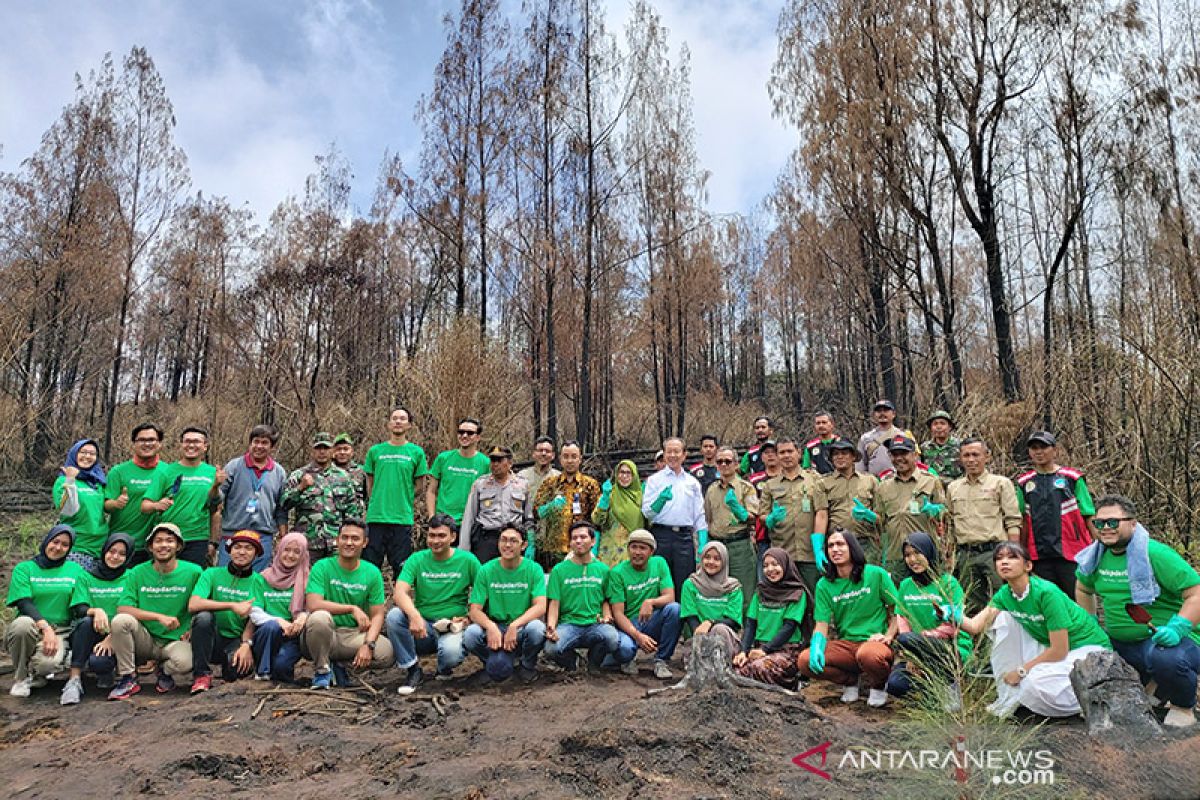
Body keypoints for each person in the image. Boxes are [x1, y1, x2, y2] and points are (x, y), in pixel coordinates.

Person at [1075, 495, 1200, 727]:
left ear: (1132, 523)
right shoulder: (1094, 557)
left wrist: (1178, 627)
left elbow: (1196, 592)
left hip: (1167, 641)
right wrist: (1090, 623)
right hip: (1122, 644)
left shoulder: (1155, 555)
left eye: (1113, 522)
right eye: (1099, 523)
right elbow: (1083, 588)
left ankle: (1183, 706)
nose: (1105, 528)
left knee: (1167, 659)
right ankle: (1152, 684)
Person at [959, 541, 1110, 718]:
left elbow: (1059, 650)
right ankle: (1011, 699)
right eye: (999, 558)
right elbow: (975, 626)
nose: (1004, 562)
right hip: (1056, 650)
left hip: (1088, 649)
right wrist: (951, 613)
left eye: (1012, 557)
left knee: (1032, 684)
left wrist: (1022, 671)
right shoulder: (1005, 594)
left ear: (1028, 566)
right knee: (1004, 619)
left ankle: (1088, 701)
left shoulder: (1046, 593)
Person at [799, 529, 899, 707]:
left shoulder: (876, 574)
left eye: (840, 544)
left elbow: (898, 610)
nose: (835, 549)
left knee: (868, 654)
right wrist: (816, 647)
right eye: (830, 546)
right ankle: (850, 681)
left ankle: (878, 685)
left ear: (852, 547)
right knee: (804, 661)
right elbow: (821, 624)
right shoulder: (824, 585)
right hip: (846, 645)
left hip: (875, 643)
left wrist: (889, 636)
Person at [387, 514, 481, 694]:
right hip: (422, 627)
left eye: (441, 536)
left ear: (453, 537)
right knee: (394, 616)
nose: (435, 541)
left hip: (452, 626)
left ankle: (444, 668)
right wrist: (414, 615)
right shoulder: (417, 559)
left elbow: (484, 595)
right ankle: (413, 669)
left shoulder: (468, 560)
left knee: (450, 653)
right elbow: (399, 592)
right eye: (432, 535)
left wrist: (469, 618)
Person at [108, 523, 203, 699]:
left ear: (178, 546)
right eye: (158, 541)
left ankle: (164, 672)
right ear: (151, 547)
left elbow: (201, 603)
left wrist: (192, 628)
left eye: (169, 541)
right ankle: (128, 677)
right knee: (120, 620)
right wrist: (158, 617)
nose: (163, 545)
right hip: (145, 638)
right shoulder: (137, 572)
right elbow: (123, 608)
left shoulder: (193, 572)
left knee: (186, 662)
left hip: (175, 639)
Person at [302, 519, 394, 690]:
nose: (349, 543)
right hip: (324, 634)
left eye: (355, 539)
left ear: (365, 542)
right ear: (337, 540)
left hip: (353, 635)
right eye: (344, 538)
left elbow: (378, 614)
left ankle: (341, 666)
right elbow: (314, 604)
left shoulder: (372, 572)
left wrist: (368, 644)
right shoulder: (322, 566)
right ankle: (322, 670)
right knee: (319, 618)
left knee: (386, 652)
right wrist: (352, 608)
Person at [885, 532, 972, 710]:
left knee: (907, 639)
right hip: (916, 646)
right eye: (908, 555)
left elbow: (954, 624)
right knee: (895, 685)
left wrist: (925, 638)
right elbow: (902, 619)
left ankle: (950, 685)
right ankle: (931, 691)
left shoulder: (948, 582)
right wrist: (913, 655)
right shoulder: (906, 585)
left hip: (950, 647)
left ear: (929, 553)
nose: (912, 559)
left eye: (917, 553)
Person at [5, 525, 88, 700]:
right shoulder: (25, 568)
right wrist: (45, 628)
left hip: (60, 630)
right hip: (31, 626)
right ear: (47, 541)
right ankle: (20, 678)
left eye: (65, 545)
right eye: (55, 541)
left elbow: (79, 605)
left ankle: (39, 673)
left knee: (47, 665)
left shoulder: (75, 570)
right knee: (22, 625)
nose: (58, 548)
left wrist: (96, 612)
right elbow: (23, 602)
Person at [463, 525, 547, 685]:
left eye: (513, 541)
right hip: (496, 627)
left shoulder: (534, 569)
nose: (507, 545)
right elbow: (475, 611)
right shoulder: (486, 570)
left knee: (537, 629)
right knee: (471, 635)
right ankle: (491, 663)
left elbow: (540, 606)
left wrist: (515, 625)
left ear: (523, 545)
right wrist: (490, 626)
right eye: (503, 540)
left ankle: (526, 665)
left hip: (522, 628)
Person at [945, 437, 1022, 611]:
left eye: (975, 455)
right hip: (966, 555)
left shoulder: (1001, 483)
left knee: (1003, 600)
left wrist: (1014, 553)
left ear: (987, 456)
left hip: (994, 552)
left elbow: (1013, 520)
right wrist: (950, 555)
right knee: (971, 604)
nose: (971, 460)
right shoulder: (953, 487)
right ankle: (978, 638)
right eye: (966, 455)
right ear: (960, 458)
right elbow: (950, 523)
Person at [1016, 431, 1095, 597]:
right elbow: (1022, 519)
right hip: (1039, 554)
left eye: (1043, 447)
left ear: (1055, 450)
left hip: (1071, 552)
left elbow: (1088, 514)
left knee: (1077, 600)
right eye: (1034, 448)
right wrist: (1021, 553)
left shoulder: (1072, 478)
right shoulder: (1024, 482)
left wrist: (1098, 547)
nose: (1039, 452)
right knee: (1048, 600)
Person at [188, 531, 263, 692]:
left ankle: (229, 668)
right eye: (237, 547)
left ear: (256, 554)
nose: (242, 552)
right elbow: (194, 604)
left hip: (236, 638)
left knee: (236, 673)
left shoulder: (260, 581)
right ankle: (201, 675)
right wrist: (231, 605)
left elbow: (255, 618)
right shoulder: (212, 573)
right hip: (211, 636)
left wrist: (246, 645)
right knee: (203, 617)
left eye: (248, 548)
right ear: (229, 551)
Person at [543, 522, 621, 671]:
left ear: (593, 541)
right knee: (551, 648)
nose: (578, 541)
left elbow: (605, 598)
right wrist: (551, 626)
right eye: (574, 538)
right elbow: (554, 602)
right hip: (568, 624)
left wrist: (607, 616)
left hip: (594, 623)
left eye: (583, 537)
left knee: (612, 638)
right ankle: (574, 662)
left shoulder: (603, 569)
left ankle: (593, 663)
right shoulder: (559, 570)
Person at [210, 424, 288, 572]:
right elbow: (216, 501)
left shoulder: (279, 472)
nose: (259, 446)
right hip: (233, 534)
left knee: (257, 582)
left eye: (264, 443)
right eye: (256, 441)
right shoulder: (234, 466)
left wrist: (283, 536)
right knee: (225, 578)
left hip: (262, 536)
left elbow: (281, 508)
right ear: (250, 443)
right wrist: (215, 486)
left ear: (272, 447)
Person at [363, 407, 430, 578]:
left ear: (409, 425)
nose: (398, 421)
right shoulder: (375, 451)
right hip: (376, 517)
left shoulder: (416, 452)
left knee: (401, 568)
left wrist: (403, 497)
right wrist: (378, 499)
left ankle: (399, 603)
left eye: (402, 419)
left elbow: (420, 486)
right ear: (388, 424)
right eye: (394, 418)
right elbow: (370, 483)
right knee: (370, 567)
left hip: (401, 518)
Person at [759, 438, 828, 598]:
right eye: (782, 452)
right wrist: (769, 519)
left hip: (809, 551)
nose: (786, 455)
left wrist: (818, 547)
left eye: (790, 451)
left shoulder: (814, 480)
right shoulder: (770, 485)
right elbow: (762, 515)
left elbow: (822, 512)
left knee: (813, 596)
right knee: (786, 598)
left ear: (798, 453)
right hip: (782, 554)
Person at [607, 529, 681, 678]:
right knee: (624, 651)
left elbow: (670, 597)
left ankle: (661, 660)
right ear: (628, 549)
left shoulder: (659, 563)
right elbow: (618, 614)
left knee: (675, 609)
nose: (637, 552)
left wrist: (651, 602)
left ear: (651, 551)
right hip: (629, 623)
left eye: (643, 548)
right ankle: (627, 658)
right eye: (633, 547)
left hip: (651, 619)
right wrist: (638, 636)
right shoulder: (617, 573)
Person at [280, 432, 364, 562]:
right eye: (318, 448)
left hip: (336, 542)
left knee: (336, 578)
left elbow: (352, 512)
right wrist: (300, 487)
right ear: (312, 451)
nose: (322, 452)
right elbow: (284, 503)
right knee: (308, 580)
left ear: (332, 451)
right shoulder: (299, 475)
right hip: (308, 542)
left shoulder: (344, 477)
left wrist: (350, 539)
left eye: (326, 448)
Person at [142, 426, 218, 567]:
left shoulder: (213, 473)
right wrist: (156, 505)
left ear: (205, 446)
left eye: (196, 442)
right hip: (167, 537)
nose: (191, 445)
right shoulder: (165, 472)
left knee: (193, 582)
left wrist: (213, 542)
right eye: (187, 441)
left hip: (197, 538)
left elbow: (216, 511)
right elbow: (145, 506)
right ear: (181, 445)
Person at [642, 438, 709, 597]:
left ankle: (683, 619)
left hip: (684, 538)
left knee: (684, 581)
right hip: (661, 535)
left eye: (676, 451)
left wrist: (702, 545)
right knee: (659, 582)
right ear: (664, 455)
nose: (672, 455)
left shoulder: (692, 483)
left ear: (684, 455)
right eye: (669, 452)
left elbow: (700, 515)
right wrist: (659, 502)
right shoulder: (654, 480)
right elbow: (646, 512)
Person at [733, 547, 808, 688]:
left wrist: (766, 650)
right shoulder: (760, 592)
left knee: (759, 668)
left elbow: (789, 627)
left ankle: (792, 683)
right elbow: (751, 625)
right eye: (765, 566)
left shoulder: (797, 593)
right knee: (735, 667)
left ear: (785, 565)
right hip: (759, 648)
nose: (770, 569)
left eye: (775, 564)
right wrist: (743, 651)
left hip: (786, 650)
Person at [72, 532, 135, 696]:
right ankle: (75, 677)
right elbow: (79, 608)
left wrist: (112, 637)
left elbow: (135, 609)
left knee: (100, 662)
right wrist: (96, 610)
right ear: (104, 551)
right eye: (112, 551)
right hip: (93, 630)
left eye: (122, 554)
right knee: (85, 621)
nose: (115, 557)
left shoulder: (131, 577)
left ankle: (110, 670)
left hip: (121, 634)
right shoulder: (86, 576)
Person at [875, 435, 945, 581]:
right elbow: (880, 521)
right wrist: (871, 516)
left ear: (914, 455)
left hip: (924, 555)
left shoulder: (931, 481)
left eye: (904, 453)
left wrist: (938, 510)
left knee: (929, 598)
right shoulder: (883, 486)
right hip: (895, 556)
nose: (899, 458)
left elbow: (946, 514)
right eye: (895, 454)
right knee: (897, 599)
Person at [702, 446, 758, 614]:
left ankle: (747, 636)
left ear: (736, 463)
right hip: (716, 545)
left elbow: (754, 516)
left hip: (739, 544)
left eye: (728, 461)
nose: (724, 464)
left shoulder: (746, 487)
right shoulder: (712, 489)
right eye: (720, 461)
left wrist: (740, 511)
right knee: (717, 592)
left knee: (745, 591)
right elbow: (707, 518)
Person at [250, 531, 310, 683]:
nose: (290, 555)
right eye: (286, 550)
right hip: (267, 634)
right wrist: (279, 621)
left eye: (297, 552)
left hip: (294, 636)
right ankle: (262, 671)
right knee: (271, 626)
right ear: (279, 550)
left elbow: (314, 607)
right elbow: (255, 612)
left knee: (281, 667)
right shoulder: (262, 577)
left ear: (303, 555)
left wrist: (303, 617)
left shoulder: (308, 578)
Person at [533, 441, 602, 571]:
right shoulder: (550, 484)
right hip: (554, 548)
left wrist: (594, 545)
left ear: (580, 459)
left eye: (574, 456)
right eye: (566, 456)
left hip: (581, 547)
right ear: (560, 459)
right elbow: (536, 511)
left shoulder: (590, 484)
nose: (570, 461)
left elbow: (596, 519)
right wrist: (550, 507)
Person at [459, 446, 533, 563]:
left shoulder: (522, 485)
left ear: (510, 463)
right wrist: (464, 550)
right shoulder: (480, 484)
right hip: (487, 539)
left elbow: (528, 518)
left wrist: (530, 543)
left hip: (513, 539)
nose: (495, 464)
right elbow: (469, 519)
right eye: (493, 460)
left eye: (499, 460)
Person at [104, 423, 166, 560]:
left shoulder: (168, 472)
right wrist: (116, 503)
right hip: (121, 544)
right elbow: (106, 506)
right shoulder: (118, 472)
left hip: (157, 546)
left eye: (151, 440)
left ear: (160, 444)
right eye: (141, 440)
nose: (147, 444)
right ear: (133, 444)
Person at [821, 438, 881, 565]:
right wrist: (819, 546)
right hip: (836, 542)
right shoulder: (823, 483)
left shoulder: (870, 481)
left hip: (866, 542)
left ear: (853, 456)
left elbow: (882, 517)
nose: (840, 457)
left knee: (867, 580)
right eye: (836, 454)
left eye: (844, 453)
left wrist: (869, 515)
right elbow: (821, 516)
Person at [680, 541, 744, 657]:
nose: (711, 562)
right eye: (707, 557)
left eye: (717, 559)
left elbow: (732, 621)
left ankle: (723, 667)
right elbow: (690, 617)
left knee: (720, 629)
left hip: (726, 640)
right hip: (697, 639)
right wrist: (702, 635)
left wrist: (709, 623)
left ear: (724, 561)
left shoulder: (733, 587)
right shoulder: (690, 584)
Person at [54, 438, 108, 570]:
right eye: (83, 452)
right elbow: (68, 510)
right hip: (76, 546)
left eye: (92, 453)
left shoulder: (98, 483)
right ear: (74, 454)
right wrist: (70, 481)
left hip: (100, 547)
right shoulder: (63, 481)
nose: (87, 456)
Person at [426, 417, 490, 524]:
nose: (464, 436)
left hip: (470, 522)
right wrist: (432, 517)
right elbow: (431, 491)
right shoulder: (443, 458)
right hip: (443, 521)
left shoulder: (486, 463)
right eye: (461, 432)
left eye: (470, 433)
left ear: (478, 437)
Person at [591, 459, 645, 567]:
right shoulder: (610, 494)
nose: (624, 476)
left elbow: (649, 522)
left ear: (634, 475)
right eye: (621, 472)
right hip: (609, 552)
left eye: (628, 473)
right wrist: (605, 499)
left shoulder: (642, 497)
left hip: (633, 550)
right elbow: (597, 520)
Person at [856, 400, 917, 477]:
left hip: (898, 480)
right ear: (874, 415)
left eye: (886, 410)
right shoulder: (865, 438)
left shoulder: (904, 436)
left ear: (893, 414)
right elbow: (859, 464)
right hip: (873, 482)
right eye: (879, 411)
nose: (882, 413)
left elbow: (915, 461)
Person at [921, 410, 962, 482]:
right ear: (931, 428)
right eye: (935, 424)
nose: (938, 427)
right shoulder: (924, 447)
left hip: (954, 487)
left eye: (942, 423)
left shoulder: (960, 446)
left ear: (950, 427)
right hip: (931, 487)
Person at [517, 436, 559, 502]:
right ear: (534, 453)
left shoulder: (559, 477)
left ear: (553, 455)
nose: (543, 453)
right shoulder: (522, 476)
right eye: (540, 450)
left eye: (547, 451)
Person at [332, 432, 368, 508]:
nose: (342, 452)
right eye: (338, 449)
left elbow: (369, 497)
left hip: (357, 516)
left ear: (352, 452)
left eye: (346, 449)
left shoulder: (362, 471)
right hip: (334, 517)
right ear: (333, 452)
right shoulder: (326, 472)